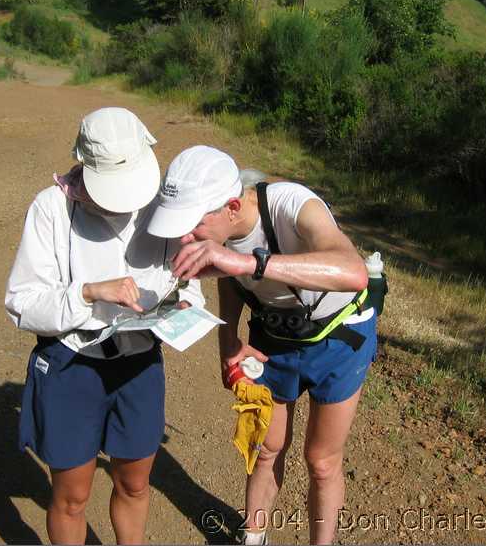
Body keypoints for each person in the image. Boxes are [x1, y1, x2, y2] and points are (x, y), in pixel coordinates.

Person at [148, 146, 378, 545]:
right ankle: (253, 537)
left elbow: (353, 271)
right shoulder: (219, 233)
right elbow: (228, 274)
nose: (185, 237)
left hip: (340, 337)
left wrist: (252, 263)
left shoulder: (293, 205)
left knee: (321, 462)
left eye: (193, 224)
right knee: (266, 446)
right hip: (272, 337)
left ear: (232, 206)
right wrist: (228, 339)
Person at [5, 108, 204, 545]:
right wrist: (89, 292)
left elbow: (186, 280)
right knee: (71, 497)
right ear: (84, 165)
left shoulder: (161, 207)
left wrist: (186, 301)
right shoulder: (52, 208)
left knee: (134, 484)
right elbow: (21, 304)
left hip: (140, 366)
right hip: (71, 365)